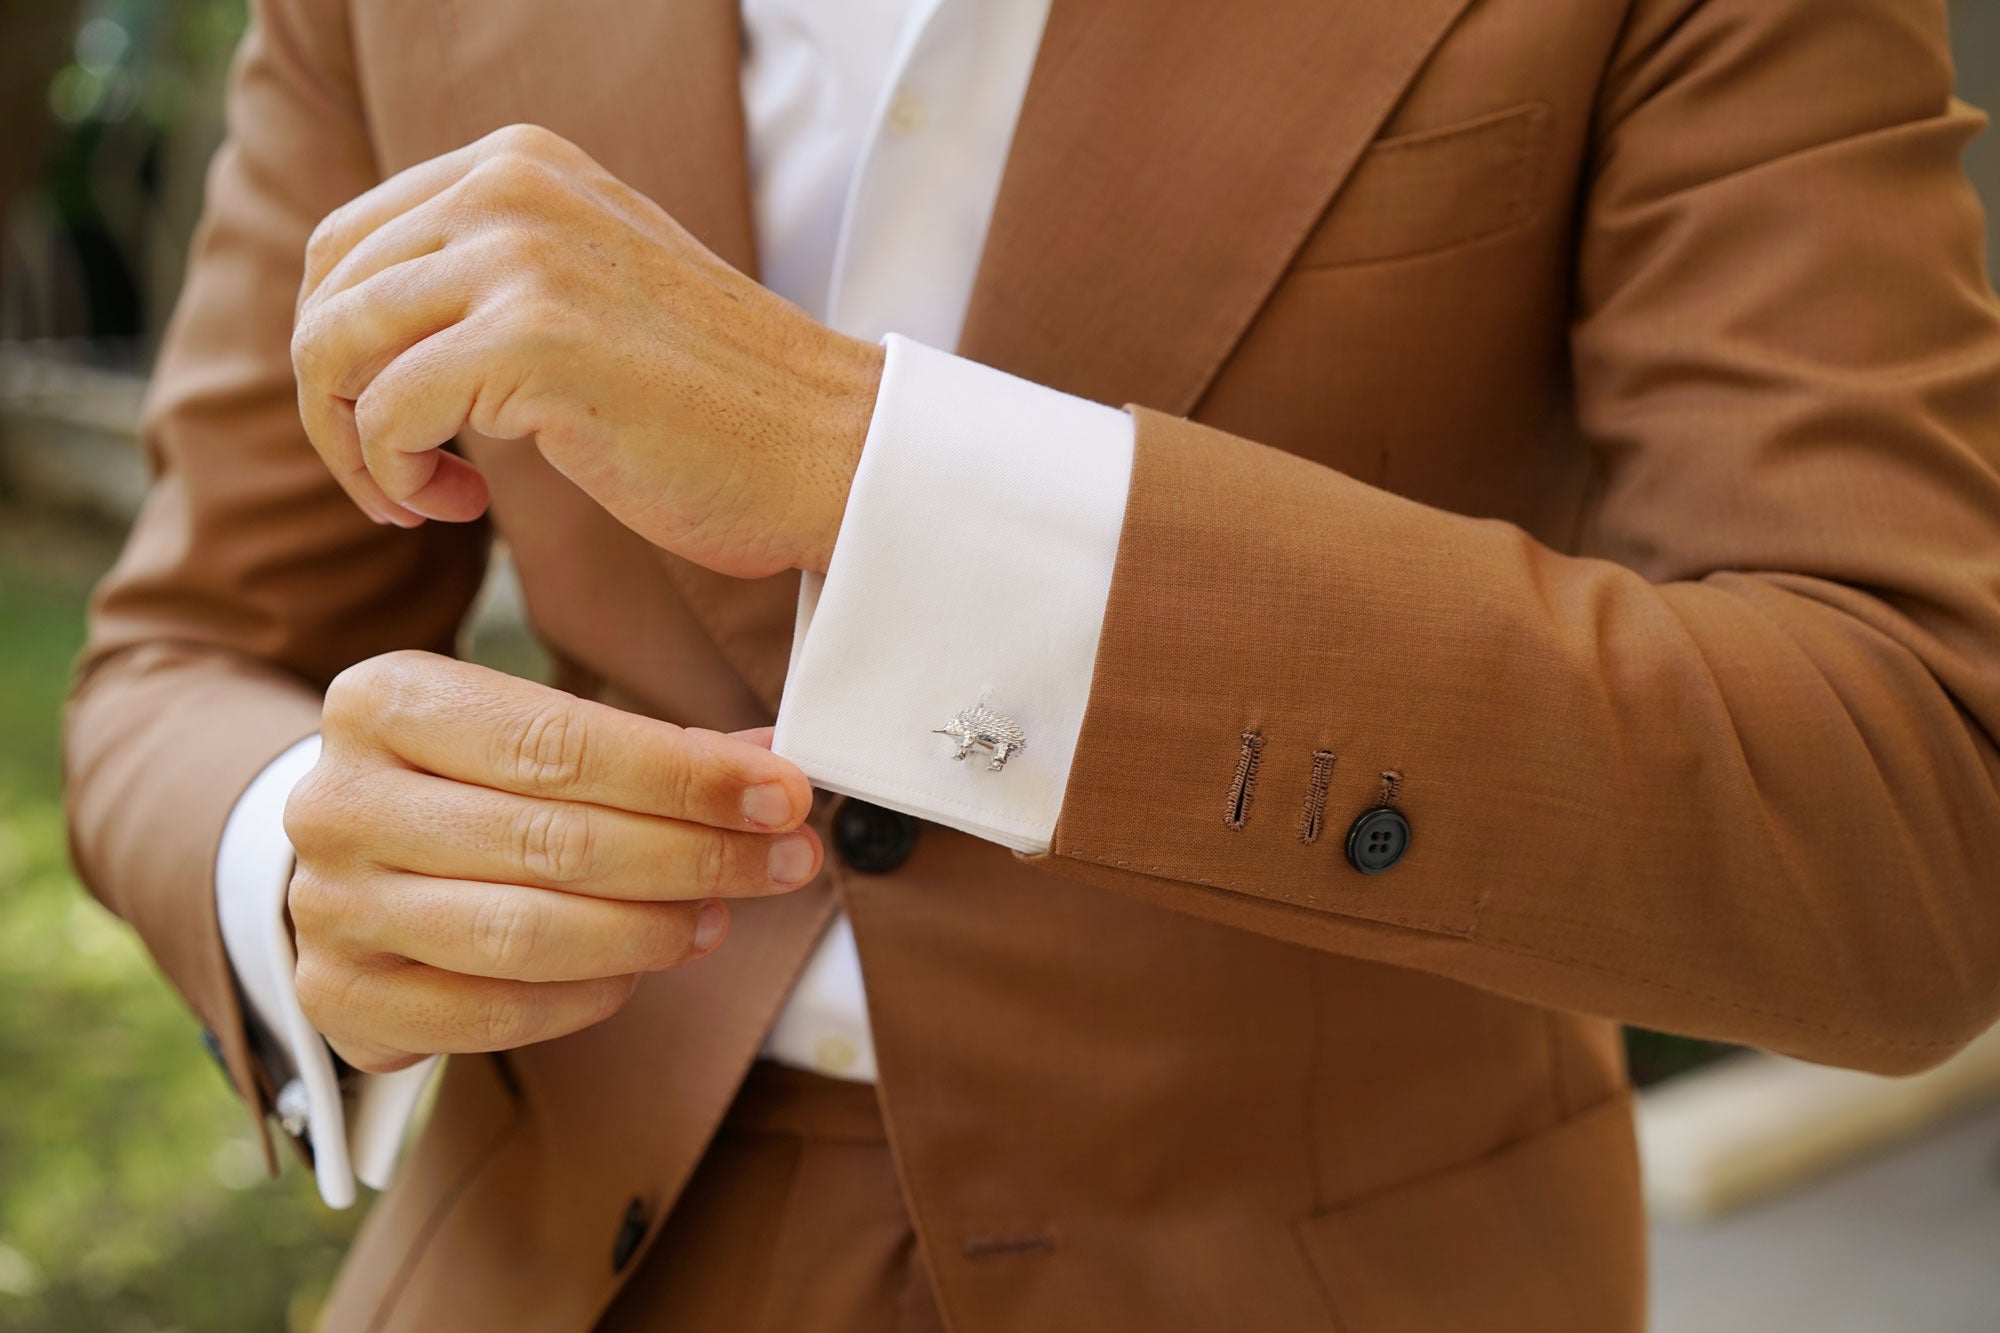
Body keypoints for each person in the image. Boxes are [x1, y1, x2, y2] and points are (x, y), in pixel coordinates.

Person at [63, 0, 2000, 1328]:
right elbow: (180, 660)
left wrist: (868, 464)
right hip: (551, 1261)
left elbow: (1908, 796)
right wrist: (299, 860)